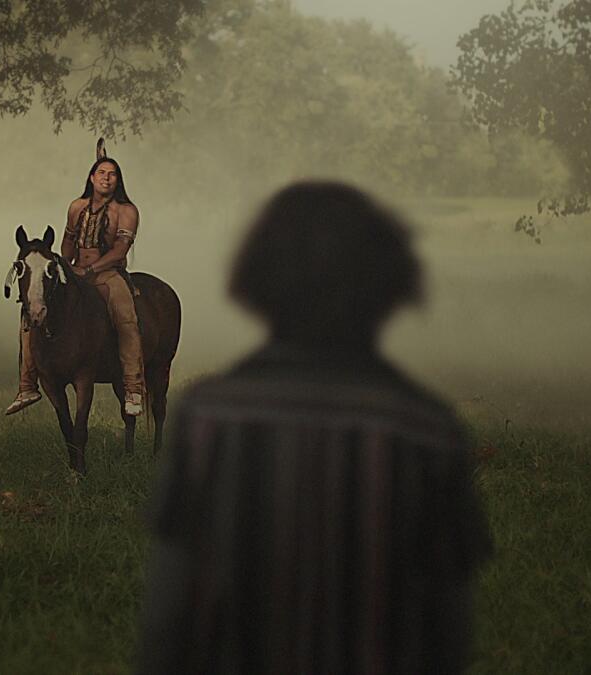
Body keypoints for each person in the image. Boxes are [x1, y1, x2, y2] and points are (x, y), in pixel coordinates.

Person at [136, 182, 493, 674]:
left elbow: (169, 617)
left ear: (256, 283)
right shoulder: (429, 431)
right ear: (389, 287)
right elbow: (446, 633)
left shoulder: (210, 418)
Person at [5, 140, 146, 417]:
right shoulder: (77, 206)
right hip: (75, 271)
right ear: (92, 178)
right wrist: (64, 265)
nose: (106, 178)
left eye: (112, 174)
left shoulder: (127, 210)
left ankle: (132, 387)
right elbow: (68, 241)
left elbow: (120, 249)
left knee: (126, 318)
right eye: (101, 173)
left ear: (118, 180)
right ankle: (27, 384)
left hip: (107, 275)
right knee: (32, 311)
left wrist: (91, 271)